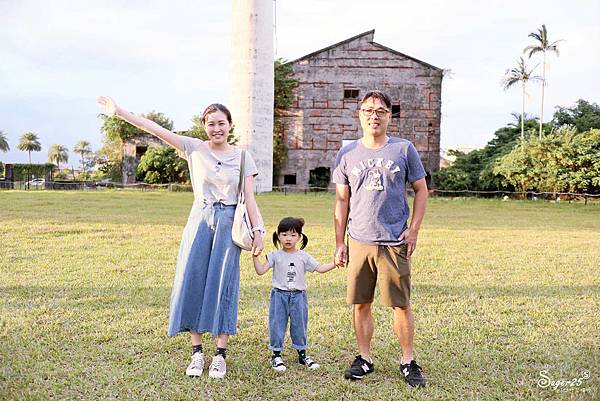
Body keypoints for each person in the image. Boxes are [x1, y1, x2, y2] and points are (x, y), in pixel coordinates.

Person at [97, 96, 265, 379]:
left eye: (221, 123)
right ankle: (197, 352)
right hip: (199, 221)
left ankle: (220, 355)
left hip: (228, 225)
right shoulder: (193, 147)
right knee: (192, 280)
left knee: (224, 284)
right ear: (204, 126)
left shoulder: (243, 157)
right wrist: (120, 112)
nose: (216, 129)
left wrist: (259, 232)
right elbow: (154, 128)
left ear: (230, 125)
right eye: (211, 124)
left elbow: (249, 198)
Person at [332, 90, 429, 387]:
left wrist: (413, 230)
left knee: (400, 304)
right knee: (361, 303)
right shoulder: (347, 153)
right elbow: (342, 200)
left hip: (393, 240)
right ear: (360, 115)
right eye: (368, 110)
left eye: (380, 111)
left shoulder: (403, 149)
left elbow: (421, 190)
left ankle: (408, 361)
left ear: (389, 115)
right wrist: (340, 242)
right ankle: (364, 358)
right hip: (360, 239)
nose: (373, 116)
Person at [252, 217, 336, 372]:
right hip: (279, 296)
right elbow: (260, 271)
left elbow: (320, 268)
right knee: (277, 324)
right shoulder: (274, 255)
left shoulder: (303, 256)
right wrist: (255, 257)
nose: (288, 238)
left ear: (299, 237)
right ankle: (276, 355)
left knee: (300, 325)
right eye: (284, 235)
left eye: (293, 235)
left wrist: (336, 263)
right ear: (278, 236)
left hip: (298, 296)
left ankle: (302, 355)